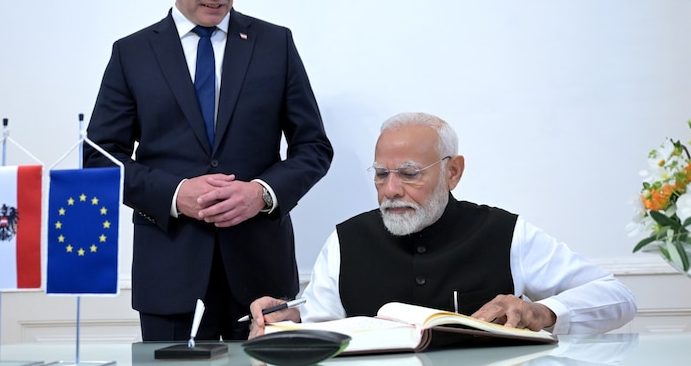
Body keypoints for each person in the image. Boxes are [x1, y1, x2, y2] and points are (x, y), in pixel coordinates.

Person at [84, 0, 333, 341]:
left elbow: (313, 147)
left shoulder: (276, 45)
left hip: (260, 275)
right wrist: (176, 194)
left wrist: (262, 193)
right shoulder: (132, 54)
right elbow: (99, 160)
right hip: (169, 273)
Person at [249, 112, 636, 341]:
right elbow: (321, 330)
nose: (391, 190)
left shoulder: (505, 232)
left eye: (409, 174)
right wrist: (285, 325)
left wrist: (543, 313)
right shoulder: (344, 241)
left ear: (453, 172)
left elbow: (618, 297)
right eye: (381, 174)